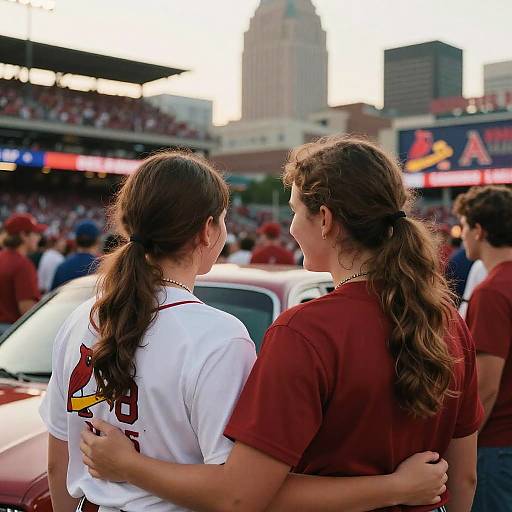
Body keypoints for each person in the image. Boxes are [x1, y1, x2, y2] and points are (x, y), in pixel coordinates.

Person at [80, 137, 481, 512]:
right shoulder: (447, 320)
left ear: (324, 219)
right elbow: (464, 476)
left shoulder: (305, 332)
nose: (291, 227)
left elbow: (244, 496)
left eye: (293, 211)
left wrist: (128, 466)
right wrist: (399, 488)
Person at [453, 186, 512, 512]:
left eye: (464, 227)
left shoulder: (491, 292)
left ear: (479, 230)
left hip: (498, 445)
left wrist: (465, 444)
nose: (462, 237)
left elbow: (486, 386)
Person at [0, 213, 46, 334]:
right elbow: (27, 310)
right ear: (24, 235)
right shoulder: (23, 265)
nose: (39, 237)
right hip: (10, 334)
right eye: (35, 233)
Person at [51, 220, 100, 290]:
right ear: (97, 241)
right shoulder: (102, 267)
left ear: (76, 240)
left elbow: (53, 297)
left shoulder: (62, 266)